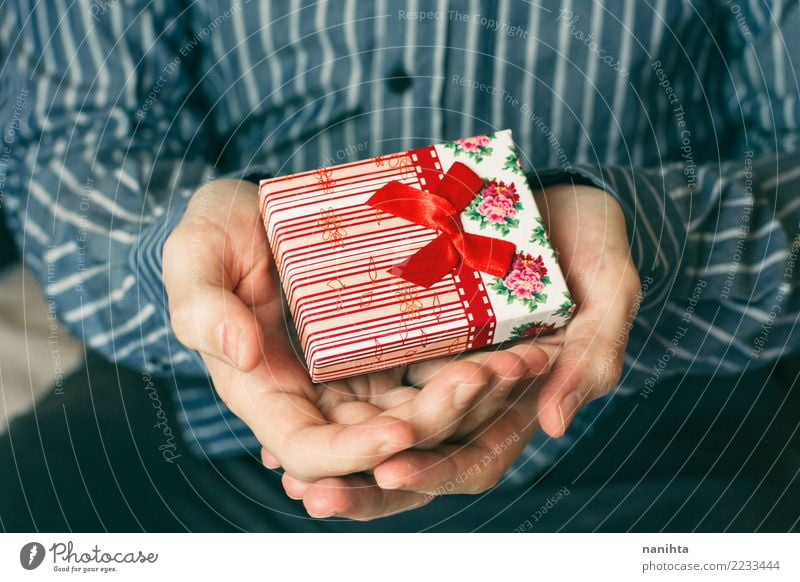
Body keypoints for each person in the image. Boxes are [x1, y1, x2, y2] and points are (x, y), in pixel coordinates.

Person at [0, 0, 798, 529]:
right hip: (199, 408)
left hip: (660, 412)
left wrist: (640, 233)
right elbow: (74, 152)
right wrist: (187, 267)